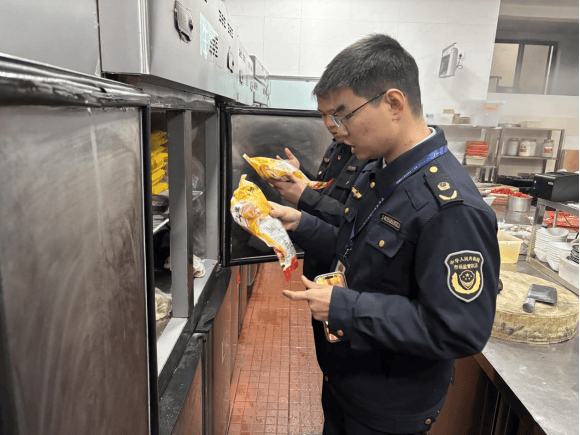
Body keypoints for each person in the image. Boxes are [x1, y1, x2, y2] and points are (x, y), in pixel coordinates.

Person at [269, 34, 500, 435]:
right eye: (328, 119)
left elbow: (459, 330)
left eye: (342, 115)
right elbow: (354, 249)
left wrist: (347, 308)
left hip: (388, 406)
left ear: (394, 104)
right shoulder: (378, 171)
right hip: (348, 381)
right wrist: (301, 223)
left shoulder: (451, 207)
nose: (336, 130)